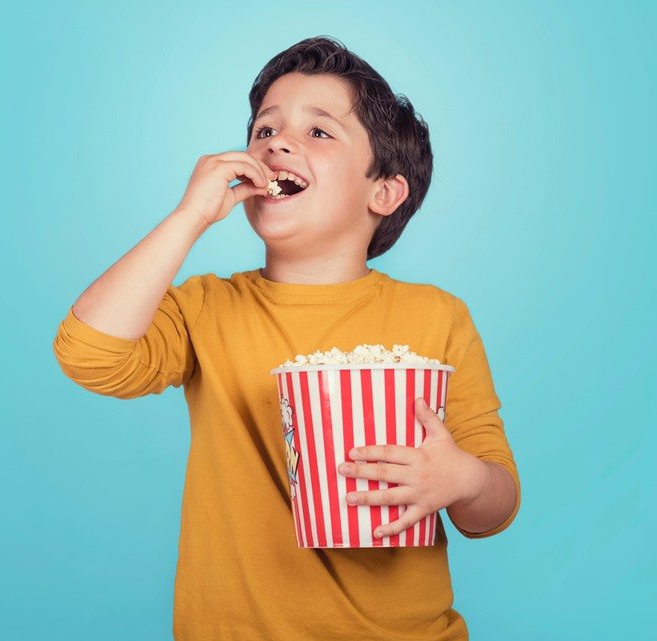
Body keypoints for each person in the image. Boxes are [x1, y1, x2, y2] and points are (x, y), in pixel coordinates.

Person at [52, 35, 520, 641]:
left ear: (385, 191)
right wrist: (188, 217)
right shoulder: (206, 309)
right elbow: (90, 355)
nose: (276, 142)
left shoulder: (438, 318)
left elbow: (495, 508)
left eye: (319, 132)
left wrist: (463, 480)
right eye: (264, 129)